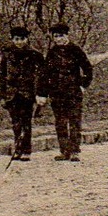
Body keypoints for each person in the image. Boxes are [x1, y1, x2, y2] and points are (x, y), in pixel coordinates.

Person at [39, 22, 93, 161]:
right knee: (60, 122)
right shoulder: (52, 52)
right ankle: (64, 150)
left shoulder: (75, 50)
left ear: (67, 35)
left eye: (61, 36)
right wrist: (43, 93)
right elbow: (45, 74)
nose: (58, 39)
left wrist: (82, 85)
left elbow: (88, 69)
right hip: (57, 93)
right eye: (55, 36)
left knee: (74, 121)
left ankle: (74, 150)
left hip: (73, 92)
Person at [0, 26, 47, 162]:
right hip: (11, 93)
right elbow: (2, 76)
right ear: (12, 39)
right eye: (16, 39)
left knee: (26, 121)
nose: (19, 42)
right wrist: (1, 95)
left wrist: (40, 93)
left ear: (27, 39)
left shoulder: (34, 54)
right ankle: (17, 148)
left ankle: (26, 150)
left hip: (27, 93)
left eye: (22, 39)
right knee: (15, 122)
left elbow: (41, 76)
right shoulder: (7, 54)